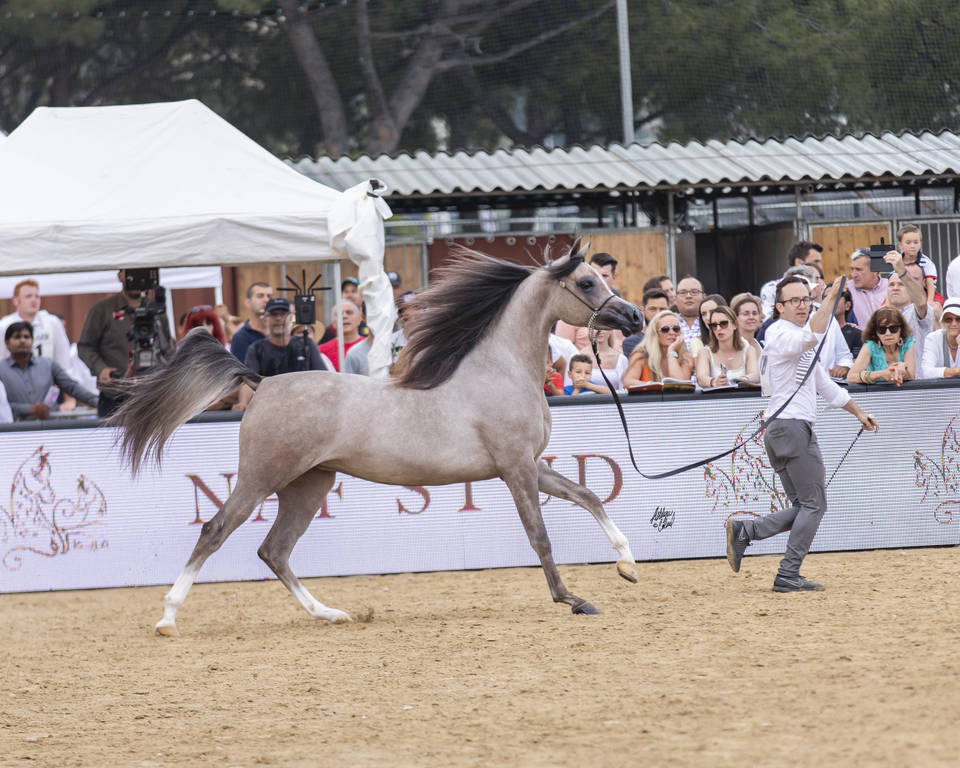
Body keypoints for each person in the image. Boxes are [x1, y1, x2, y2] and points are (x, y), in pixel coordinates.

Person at [725, 276, 878, 592]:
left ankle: (747, 531)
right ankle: (786, 571)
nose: (801, 305)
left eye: (805, 299)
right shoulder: (781, 334)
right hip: (793, 428)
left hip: (783, 430)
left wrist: (859, 412)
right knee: (814, 505)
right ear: (779, 306)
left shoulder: (794, 338)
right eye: (794, 300)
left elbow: (824, 384)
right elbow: (813, 335)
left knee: (803, 505)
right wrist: (829, 299)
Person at [77, 269, 173, 417]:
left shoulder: (157, 310)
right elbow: (85, 346)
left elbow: (169, 347)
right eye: (131, 274)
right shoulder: (102, 310)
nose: (136, 279)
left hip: (152, 394)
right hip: (115, 395)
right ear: (120, 275)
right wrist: (100, 369)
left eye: (140, 273)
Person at [235, 298, 327, 411]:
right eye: (273, 314)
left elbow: (323, 377)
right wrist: (243, 403)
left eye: (283, 314)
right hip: (271, 409)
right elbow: (248, 382)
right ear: (265, 319)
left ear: (291, 318)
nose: (278, 318)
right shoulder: (255, 349)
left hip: (306, 408)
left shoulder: (307, 344)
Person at [0, 322, 99, 420]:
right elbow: (2, 406)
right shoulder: (1, 369)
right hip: (14, 430)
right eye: (17, 337)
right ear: (7, 343)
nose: (22, 340)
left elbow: (72, 387)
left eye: (27, 337)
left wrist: (100, 403)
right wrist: (29, 409)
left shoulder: (48, 364)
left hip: (49, 428)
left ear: (32, 341)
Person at [0, 279, 72, 369]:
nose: (34, 300)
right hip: (15, 379)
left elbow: (63, 356)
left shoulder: (52, 322)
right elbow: (1, 358)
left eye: (37, 296)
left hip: (48, 380)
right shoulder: (4, 325)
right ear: (16, 301)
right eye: (28, 296)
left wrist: (60, 380)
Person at [883, 251, 934, 367]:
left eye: (901, 284)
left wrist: (901, 271)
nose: (895, 288)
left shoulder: (917, 311)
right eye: (891, 285)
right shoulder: (880, 315)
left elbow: (921, 302)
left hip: (917, 381)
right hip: (889, 380)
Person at [846, 306, 915, 386]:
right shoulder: (870, 346)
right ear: (876, 332)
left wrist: (902, 370)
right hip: (876, 394)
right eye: (882, 329)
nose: (888, 333)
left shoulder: (908, 343)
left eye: (893, 328)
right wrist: (881, 374)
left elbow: (911, 376)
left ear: (901, 329)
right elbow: (851, 377)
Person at [622, 309, 693, 386]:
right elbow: (628, 382)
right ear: (655, 333)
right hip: (649, 396)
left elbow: (681, 384)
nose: (672, 332)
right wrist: (656, 387)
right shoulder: (641, 354)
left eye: (676, 329)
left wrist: (671, 351)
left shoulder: (686, 357)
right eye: (665, 329)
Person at [695, 306, 759, 388]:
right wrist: (714, 382)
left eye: (723, 324)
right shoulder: (705, 352)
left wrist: (742, 380)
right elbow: (701, 378)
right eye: (714, 325)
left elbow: (755, 375)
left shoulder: (749, 350)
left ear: (735, 325)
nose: (718, 328)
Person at [759, 241, 823, 318]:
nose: (820, 266)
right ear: (798, 262)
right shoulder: (771, 288)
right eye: (816, 262)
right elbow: (768, 318)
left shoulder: (820, 286)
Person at [230, 282, 274, 363]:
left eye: (270, 296)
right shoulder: (240, 338)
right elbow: (241, 372)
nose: (266, 300)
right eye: (260, 296)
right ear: (248, 302)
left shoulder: (281, 332)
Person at [895, 224, 940, 305]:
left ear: (920, 243)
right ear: (900, 245)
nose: (912, 246)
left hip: (925, 292)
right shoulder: (897, 261)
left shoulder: (926, 262)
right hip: (903, 293)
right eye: (908, 243)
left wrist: (929, 300)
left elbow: (930, 283)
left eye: (916, 242)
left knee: (936, 306)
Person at [318, 299, 366, 371]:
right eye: (338, 314)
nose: (344, 316)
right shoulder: (321, 352)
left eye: (349, 312)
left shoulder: (370, 347)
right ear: (333, 323)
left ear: (359, 319)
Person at [319, 277, 371, 344]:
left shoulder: (371, 325)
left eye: (354, 291)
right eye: (346, 292)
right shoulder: (332, 330)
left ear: (362, 296)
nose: (349, 295)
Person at [622, 289, 669, 358]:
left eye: (662, 309)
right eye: (653, 309)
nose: (658, 314)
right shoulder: (631, 342)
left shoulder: (675, 337)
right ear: (642, 311)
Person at [920, 298, 960, 379]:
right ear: (943, 322)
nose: (954, 323)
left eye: (958, 319)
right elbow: (925, 372)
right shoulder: (933, 339)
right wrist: (956, 371)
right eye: (949, 320)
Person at [849, 250, 888, 328]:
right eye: (852, 269)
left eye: (859, 270)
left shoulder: (891, 286)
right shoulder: (846, 289)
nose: (853, 275)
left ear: (875, 271)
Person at [674, 276, 705, 350]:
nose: (688, 296)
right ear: (675, 298)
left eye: (694, 292)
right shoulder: (668, 324)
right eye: (683, 292)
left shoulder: (712, 322)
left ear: (704, 297)